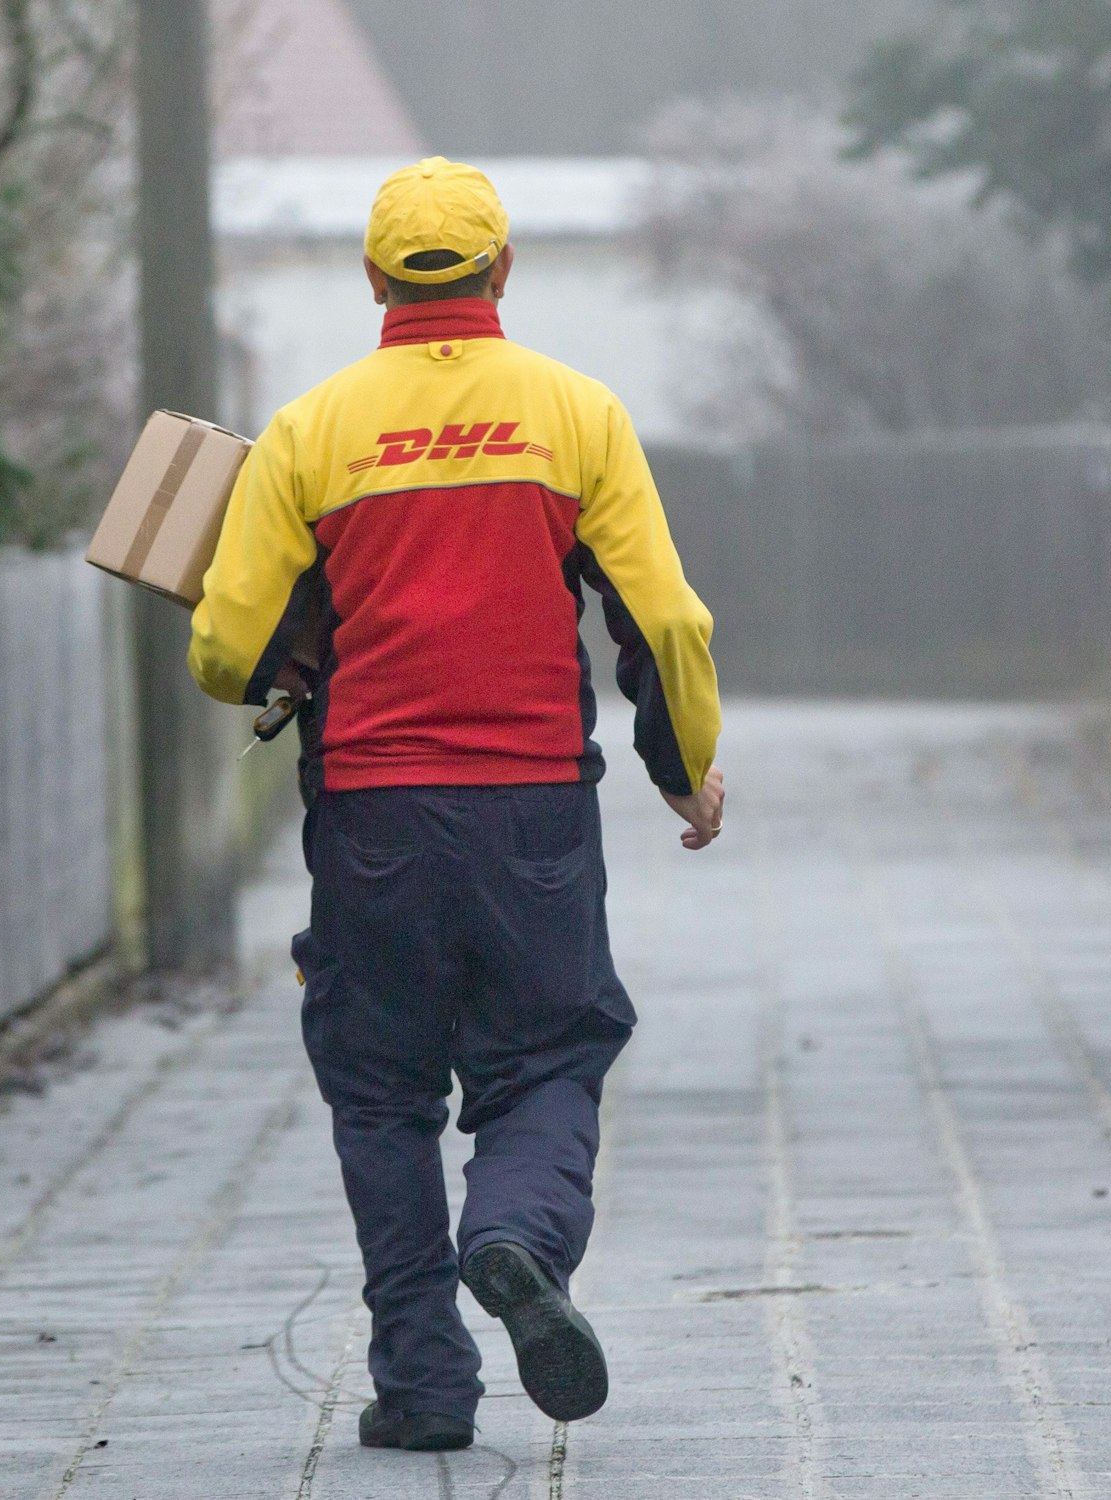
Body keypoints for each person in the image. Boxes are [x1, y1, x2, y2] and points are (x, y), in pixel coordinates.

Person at [187, 157, 724, 1453]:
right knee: (548, 1056)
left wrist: (292, 655)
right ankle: (515, 1236)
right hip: (533, 810)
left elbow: (225, 647)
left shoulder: (313, 434)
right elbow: (662, 618)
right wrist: (681, 763)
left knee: (380, 1090)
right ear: (504, 272)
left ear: (373, 278)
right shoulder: (576, 414)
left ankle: (424, 1386)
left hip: (370, 814)